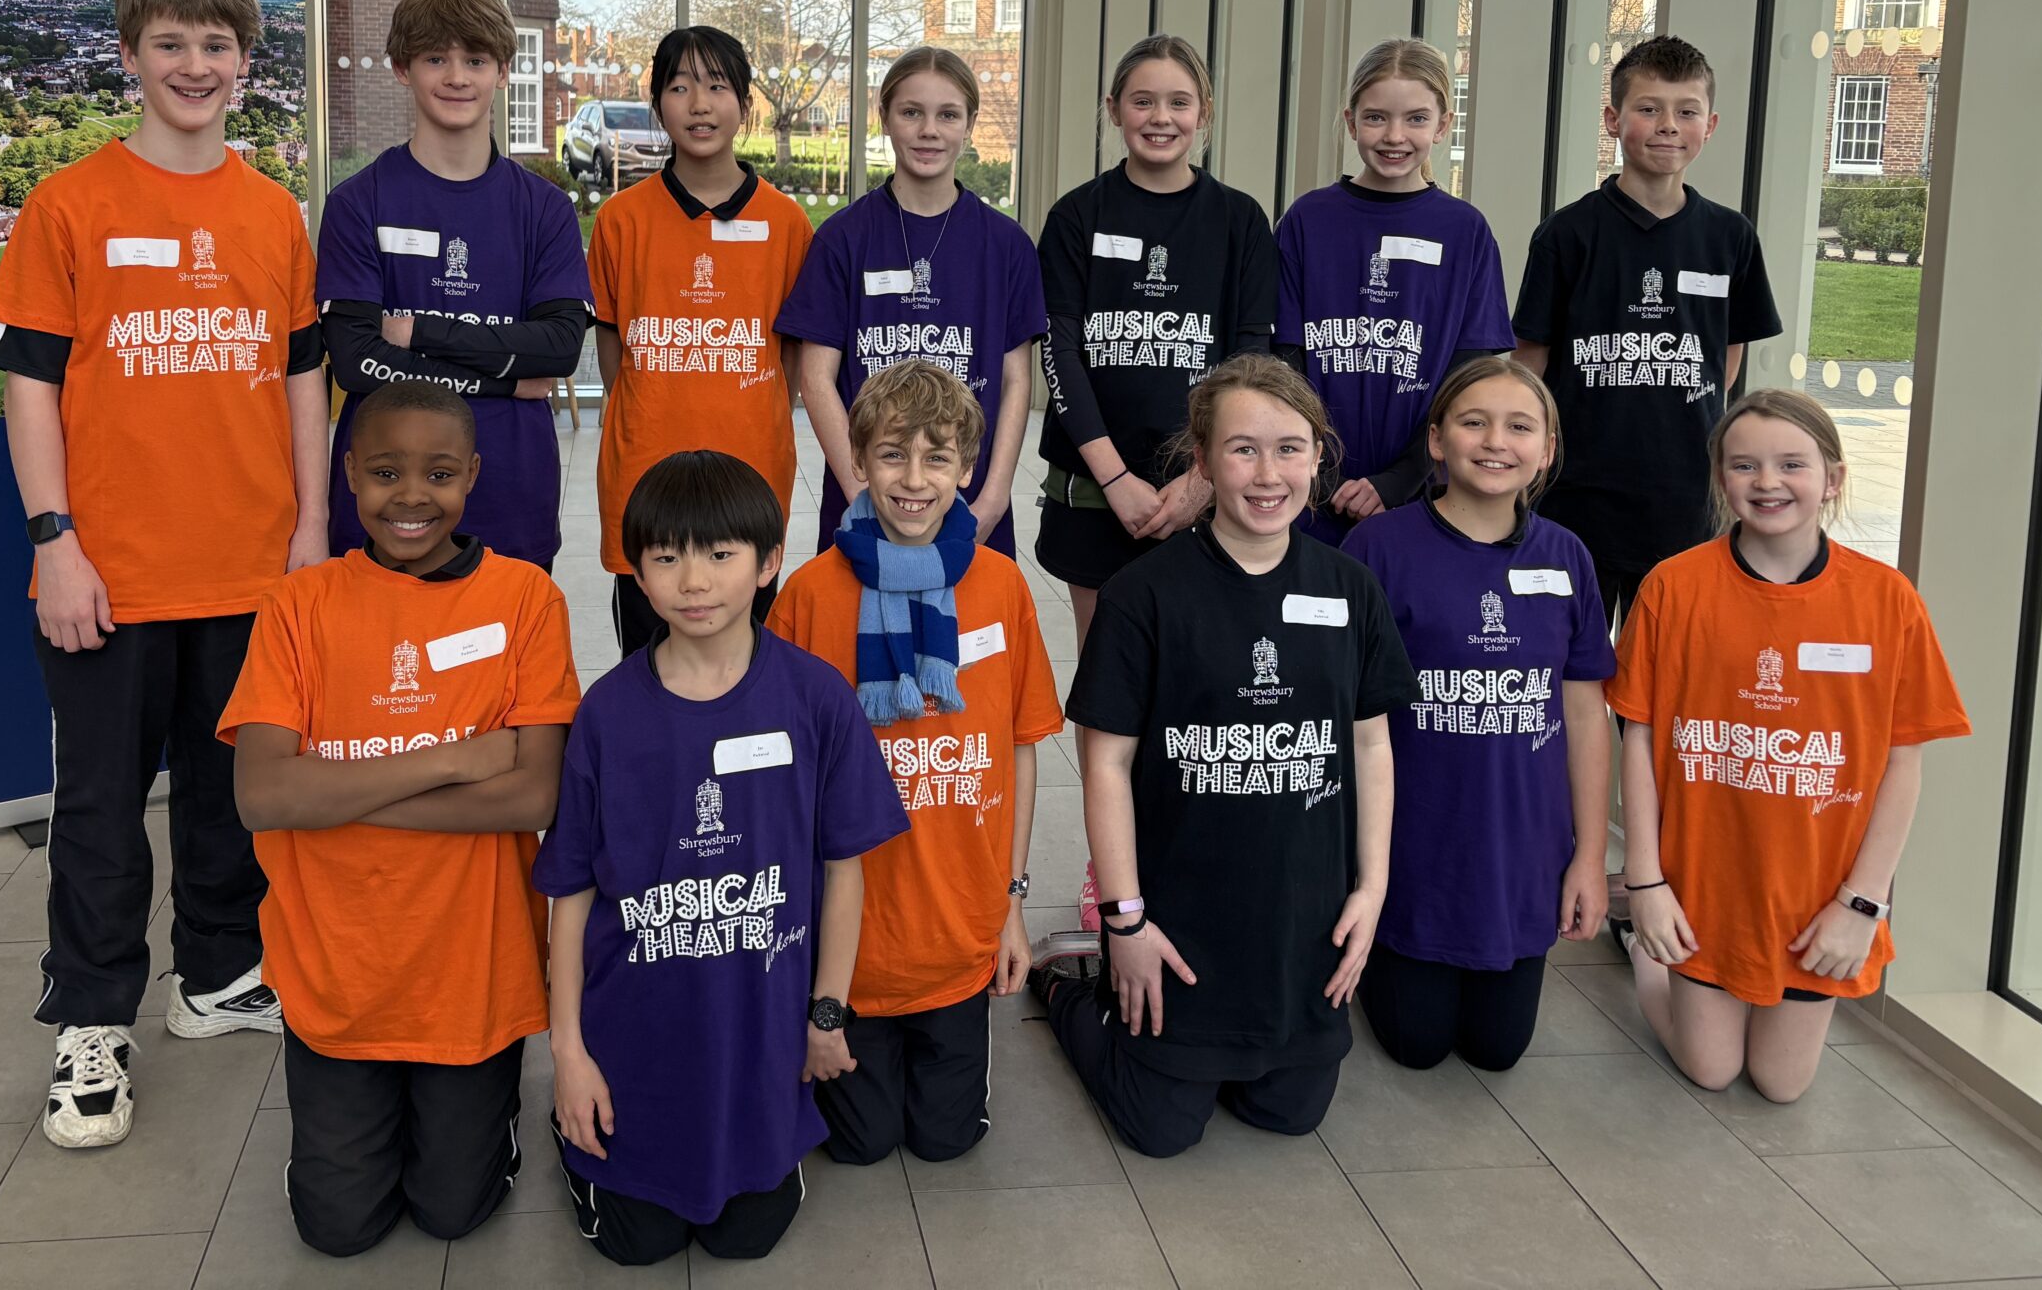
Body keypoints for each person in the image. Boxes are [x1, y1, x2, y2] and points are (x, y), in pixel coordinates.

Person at [0, 0, 327, 1150]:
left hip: (248, 566)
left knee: (230, 797)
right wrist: (53, 542)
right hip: (108, 574)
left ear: (245, 62)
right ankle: (93, 1023)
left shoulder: (275, 213)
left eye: (216, 44)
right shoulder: (69, 205)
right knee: (102, 812)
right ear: (130, 57)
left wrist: (313, 533)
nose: (194, 64)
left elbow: (299, 385)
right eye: (169, 43)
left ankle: (217, 979)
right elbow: (29, 390)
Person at [219, 381, 580, 1254]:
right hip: (334, 965)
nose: (411, 496)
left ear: (472, 477)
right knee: (337, 1228)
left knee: (455, 1210)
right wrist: (453, 762)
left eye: (439, 474)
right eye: (385, 472)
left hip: (470, 967)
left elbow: (532, 796)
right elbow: (264, 795)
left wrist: (340, 797)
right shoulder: (299, 605)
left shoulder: (526, 599)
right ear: (349, 475)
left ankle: (481, 1129)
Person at [1031, 356, 1412, 1158]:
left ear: (1318, 454)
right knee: (1160, 1129)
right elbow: (1103, 765)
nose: (1268, 473)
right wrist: (1125, 921)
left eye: (1289, 448)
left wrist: (1372, 890)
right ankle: (1070, 987)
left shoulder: (1350, 589)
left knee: (1291, 1112)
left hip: (1300, 923)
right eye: (1242, 449)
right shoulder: (1146, 594)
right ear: (1200, 463)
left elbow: (1370, 742)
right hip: (1179, 919)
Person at [534, 453, 908, 1266]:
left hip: (763, 1033)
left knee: (748, 1238)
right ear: (635, 569)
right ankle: (585, 1124)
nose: (692, 581)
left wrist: (827, 1013)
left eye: (719, 554)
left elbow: (846, 867)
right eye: (666, 557)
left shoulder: (815, 698)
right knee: (635, 1245)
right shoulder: (605, 714)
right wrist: (568, 1052)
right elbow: (569, 891)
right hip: (637, 1034)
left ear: (771, 561)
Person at [1609, 389, 1969, 1104]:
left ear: (1832, 479)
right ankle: (1640, 948)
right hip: (1703, 884)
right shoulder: (1673, 589)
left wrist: (1861, 905)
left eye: (1791, 465)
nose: (1767, 482)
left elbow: (1903, 761)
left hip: (1816, 897)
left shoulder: (1887, 600)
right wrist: (1646, 884)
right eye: (1744, 465)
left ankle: (1721, 979)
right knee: (1710, 1068)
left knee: (1779, 1083)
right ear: (1720, 479)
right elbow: (1640, 741)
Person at [769, 360, 1063, 1167]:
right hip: (853, 943)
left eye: (938, 458)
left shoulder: (1003, 588)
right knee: (859, 1147)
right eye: (893, 454)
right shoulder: (808, 596)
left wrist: (1010, 902)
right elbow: (785, 785)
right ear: (857, 462)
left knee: (945, 1140)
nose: (914, 479)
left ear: (968, 470)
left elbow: (1021, 748)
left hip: (958, 930)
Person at [1341, 357, 1613, 1072]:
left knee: (1498, 1050)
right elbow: (1342, 712)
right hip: (1414, 846)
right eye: (1474, 422)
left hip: (1519, 853)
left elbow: (1585, 716)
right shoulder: (1378, 549)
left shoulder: (1568, 557)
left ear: (1547, 450)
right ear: (1437, 440)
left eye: (1520, 426)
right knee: (1417, 1046)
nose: (1496, 441)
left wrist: (1589, 857)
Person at [314, 0, 591, 571]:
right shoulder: (359, 203)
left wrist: (421, 333)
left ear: (504, 70)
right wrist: (506, 379)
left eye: (476, 59)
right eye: (435, 57)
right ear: (401, 69)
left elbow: (560, 349)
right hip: (383, 503)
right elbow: (357, 358)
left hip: (512, 493)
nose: (457, 76)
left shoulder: (543, 210)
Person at [1512, 34, 1782, 625]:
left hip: (1683, 496)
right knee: (1568, 663)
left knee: (1665, 668)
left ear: (1710, 125)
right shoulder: (1567, 235)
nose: (1668, 125)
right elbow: (1529, 364)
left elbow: (1725, 359)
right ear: (1613, 119)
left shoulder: (1730, 237)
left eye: (1686, 111)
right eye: (1648, 108)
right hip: (1576, 491)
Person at [1035, 34, 1278, 648]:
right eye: (1143, 102)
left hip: (1206, 485)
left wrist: (1204, 479)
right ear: (1113, 109)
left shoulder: (1240, 221)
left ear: (1205, 113)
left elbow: (1251, 363)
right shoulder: (1075, 217)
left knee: (1199, 675)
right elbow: (1060, 353)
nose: (1161, 118)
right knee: (1106, 672)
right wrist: (1115, 480)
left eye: (1179, 102)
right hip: (1098, 489)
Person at [589, 27, 813, 656]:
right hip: (644, 474)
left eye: (717, 86)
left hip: (750, 472)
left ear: (744, 103)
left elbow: (789, 353)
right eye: (680, 87)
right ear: (658, 101)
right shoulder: (621, 220)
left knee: (745, 653)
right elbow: (614, 345)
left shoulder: (787, 223)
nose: (699, 104)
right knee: (647, 655)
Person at [782, 46, 1045, 557]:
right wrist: (864, 495)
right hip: (864, 500)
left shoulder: (1007, 245)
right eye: (911, 112)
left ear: (970, 124)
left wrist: (992, 499)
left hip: (971, 508)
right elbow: (815, 380)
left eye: (947, 114)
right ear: (884, 118)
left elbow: (1016, 382)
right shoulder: (842, 239)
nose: (929, 130)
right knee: (854, 636)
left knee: (970, 636)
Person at [1277, 38, 1513, 544]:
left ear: (1444, 125)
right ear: (1350, 120)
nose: (1395, 136)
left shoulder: (1465, 230)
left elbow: (1469, 377)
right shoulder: (1308, 220)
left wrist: (1398, 480)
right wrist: (1319, 467)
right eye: (1377, 117)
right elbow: (1285, 362)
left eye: (1416, 119)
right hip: (1308, 489)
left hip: (1420, 495)